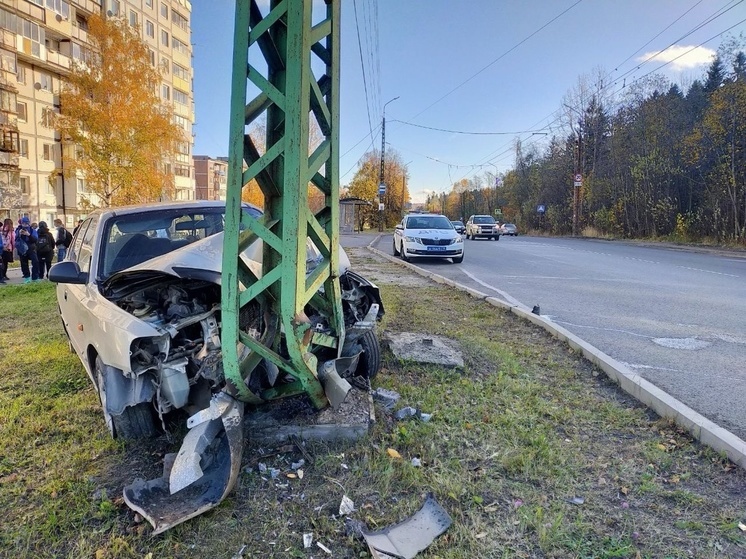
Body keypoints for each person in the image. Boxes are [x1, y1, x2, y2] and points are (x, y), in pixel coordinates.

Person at [15, 216, 39, 283]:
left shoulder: (32, 230)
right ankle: (27, 277)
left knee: (35, 261)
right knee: (24, 263)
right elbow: (15, 238)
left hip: (31, 248)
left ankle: (35, 277)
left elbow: (35, 240)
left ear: (29, 223)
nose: (25, 225)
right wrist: (19, 233)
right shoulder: (18, 230)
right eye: (24, 223)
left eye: (26, 223)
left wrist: (28, 235)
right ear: (21, 223)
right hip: (22, 249)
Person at [1, 217, 14, 282]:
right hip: (8, 248)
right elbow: (12, 240)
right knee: (5, 263)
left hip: (1, 248)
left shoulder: (1, 229)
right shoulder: (10, 230)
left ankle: (2, 275)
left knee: (2, 262)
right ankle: (4, 275)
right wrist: (12, 247)